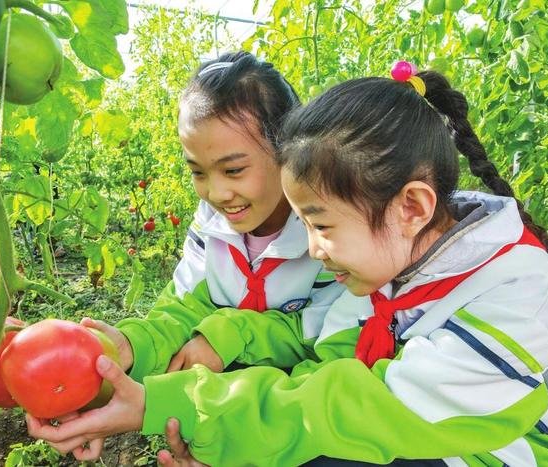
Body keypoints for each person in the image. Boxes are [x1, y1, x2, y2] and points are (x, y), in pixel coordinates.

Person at [27, 62, 548, 466]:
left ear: (411, 206)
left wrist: (166, 405)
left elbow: (358, 410)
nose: (310, 248)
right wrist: (219, 432)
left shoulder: (518, 295)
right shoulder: (392, 266)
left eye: (321, 224)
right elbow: (324, 367)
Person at [46, 51, 359, 459]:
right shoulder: (212, 224)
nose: (216, 193)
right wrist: (130, 346)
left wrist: (227, 333)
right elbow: (184, 306)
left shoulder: (327, 236)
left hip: (294, 418)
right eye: (198, 172)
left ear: (288, 152)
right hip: (219, 412)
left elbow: (319, 341)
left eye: (232, 171)